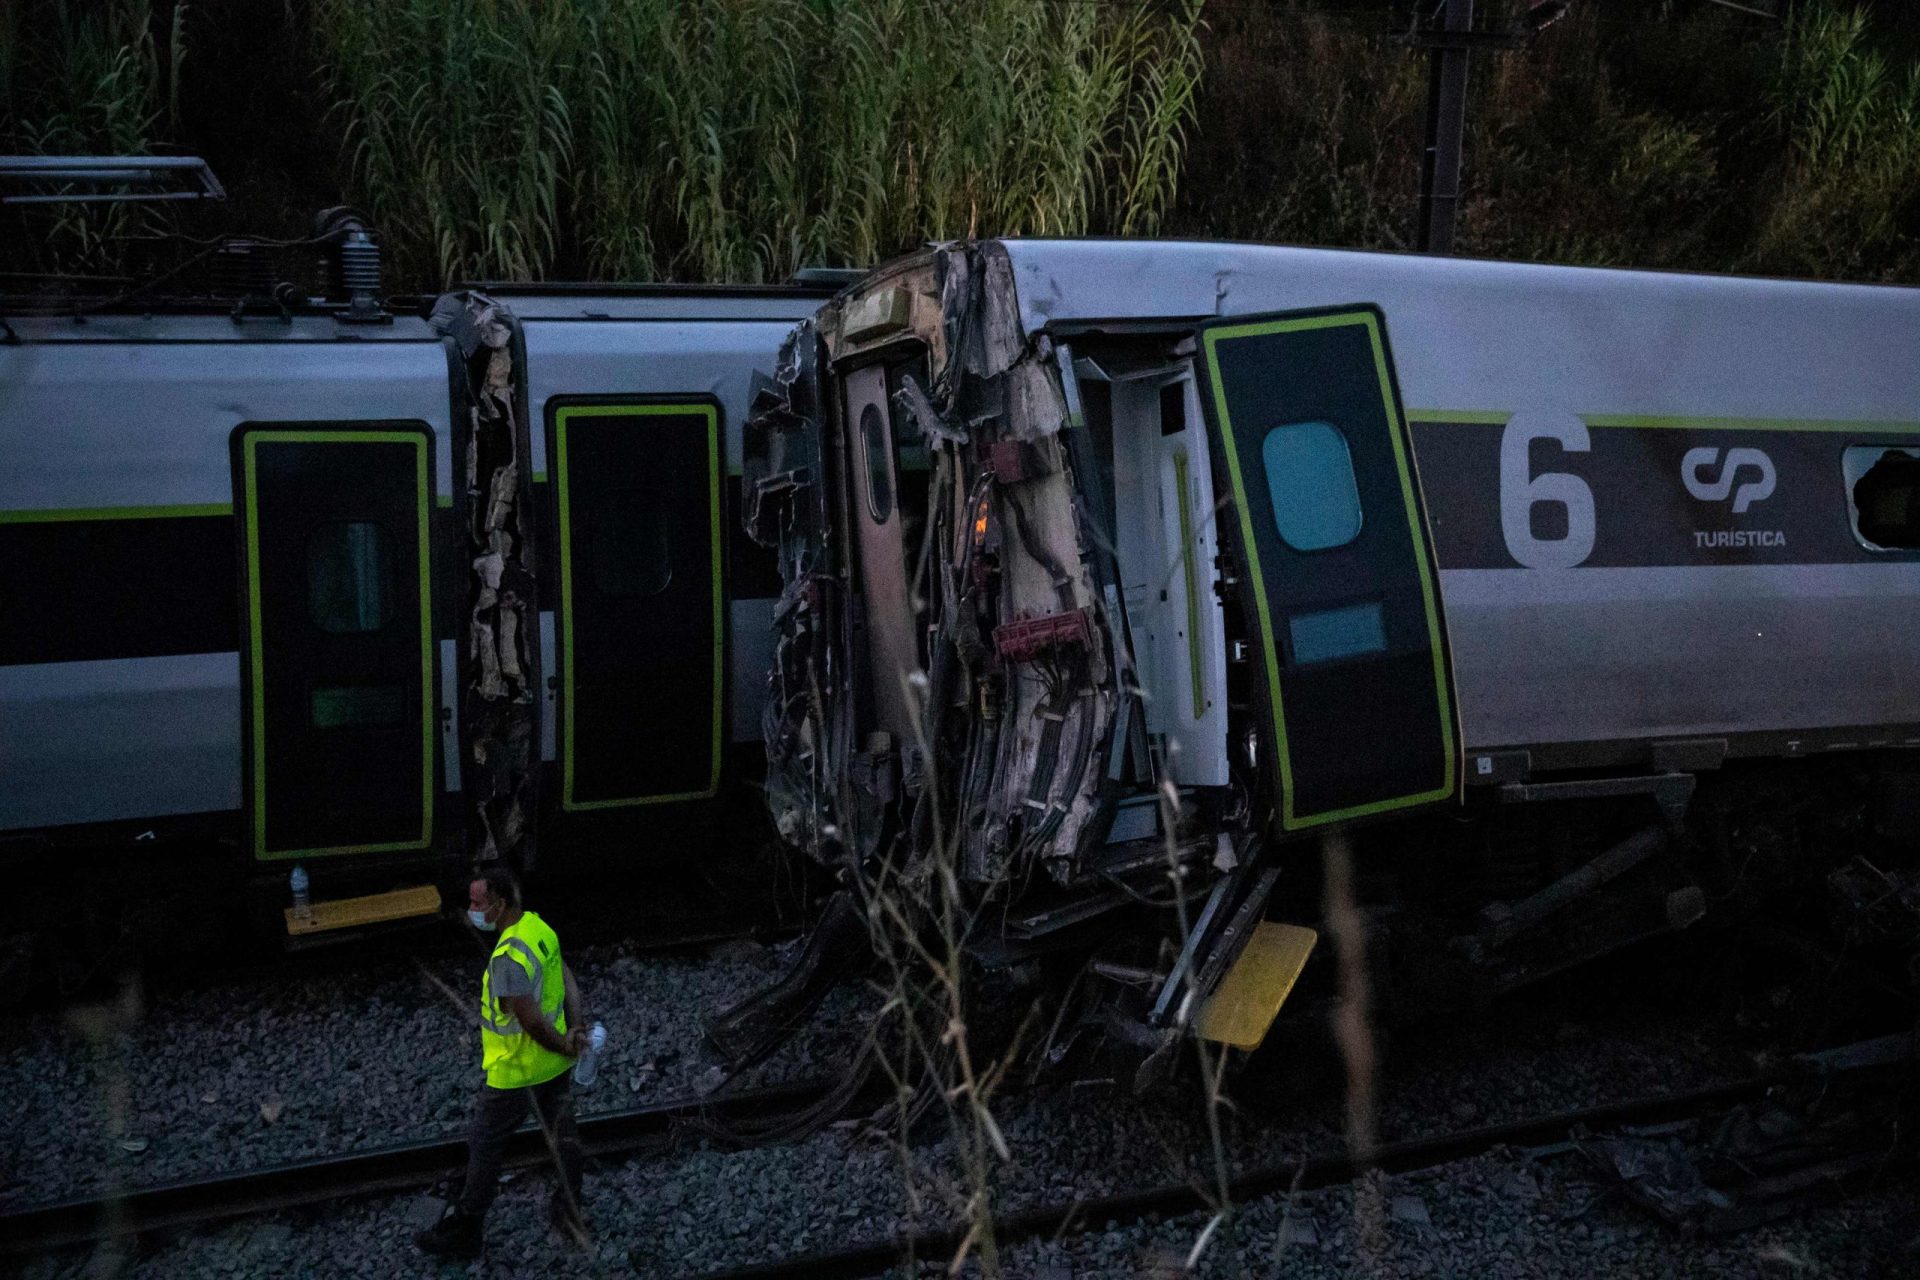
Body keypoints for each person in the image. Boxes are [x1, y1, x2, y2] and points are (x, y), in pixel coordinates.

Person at [417, 863, 590, 1258]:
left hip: (517, 1073)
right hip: (554, 1068)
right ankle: (570, 1209)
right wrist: (575, 1029)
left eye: (477, 902)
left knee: (485, 1144)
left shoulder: (508, 958)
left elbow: (529, 1021)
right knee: (563, 1137)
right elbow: (568, 980)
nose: (472, 908)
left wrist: (564, 1043)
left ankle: (466, 1228)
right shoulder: (538, 929)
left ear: (498, 903)